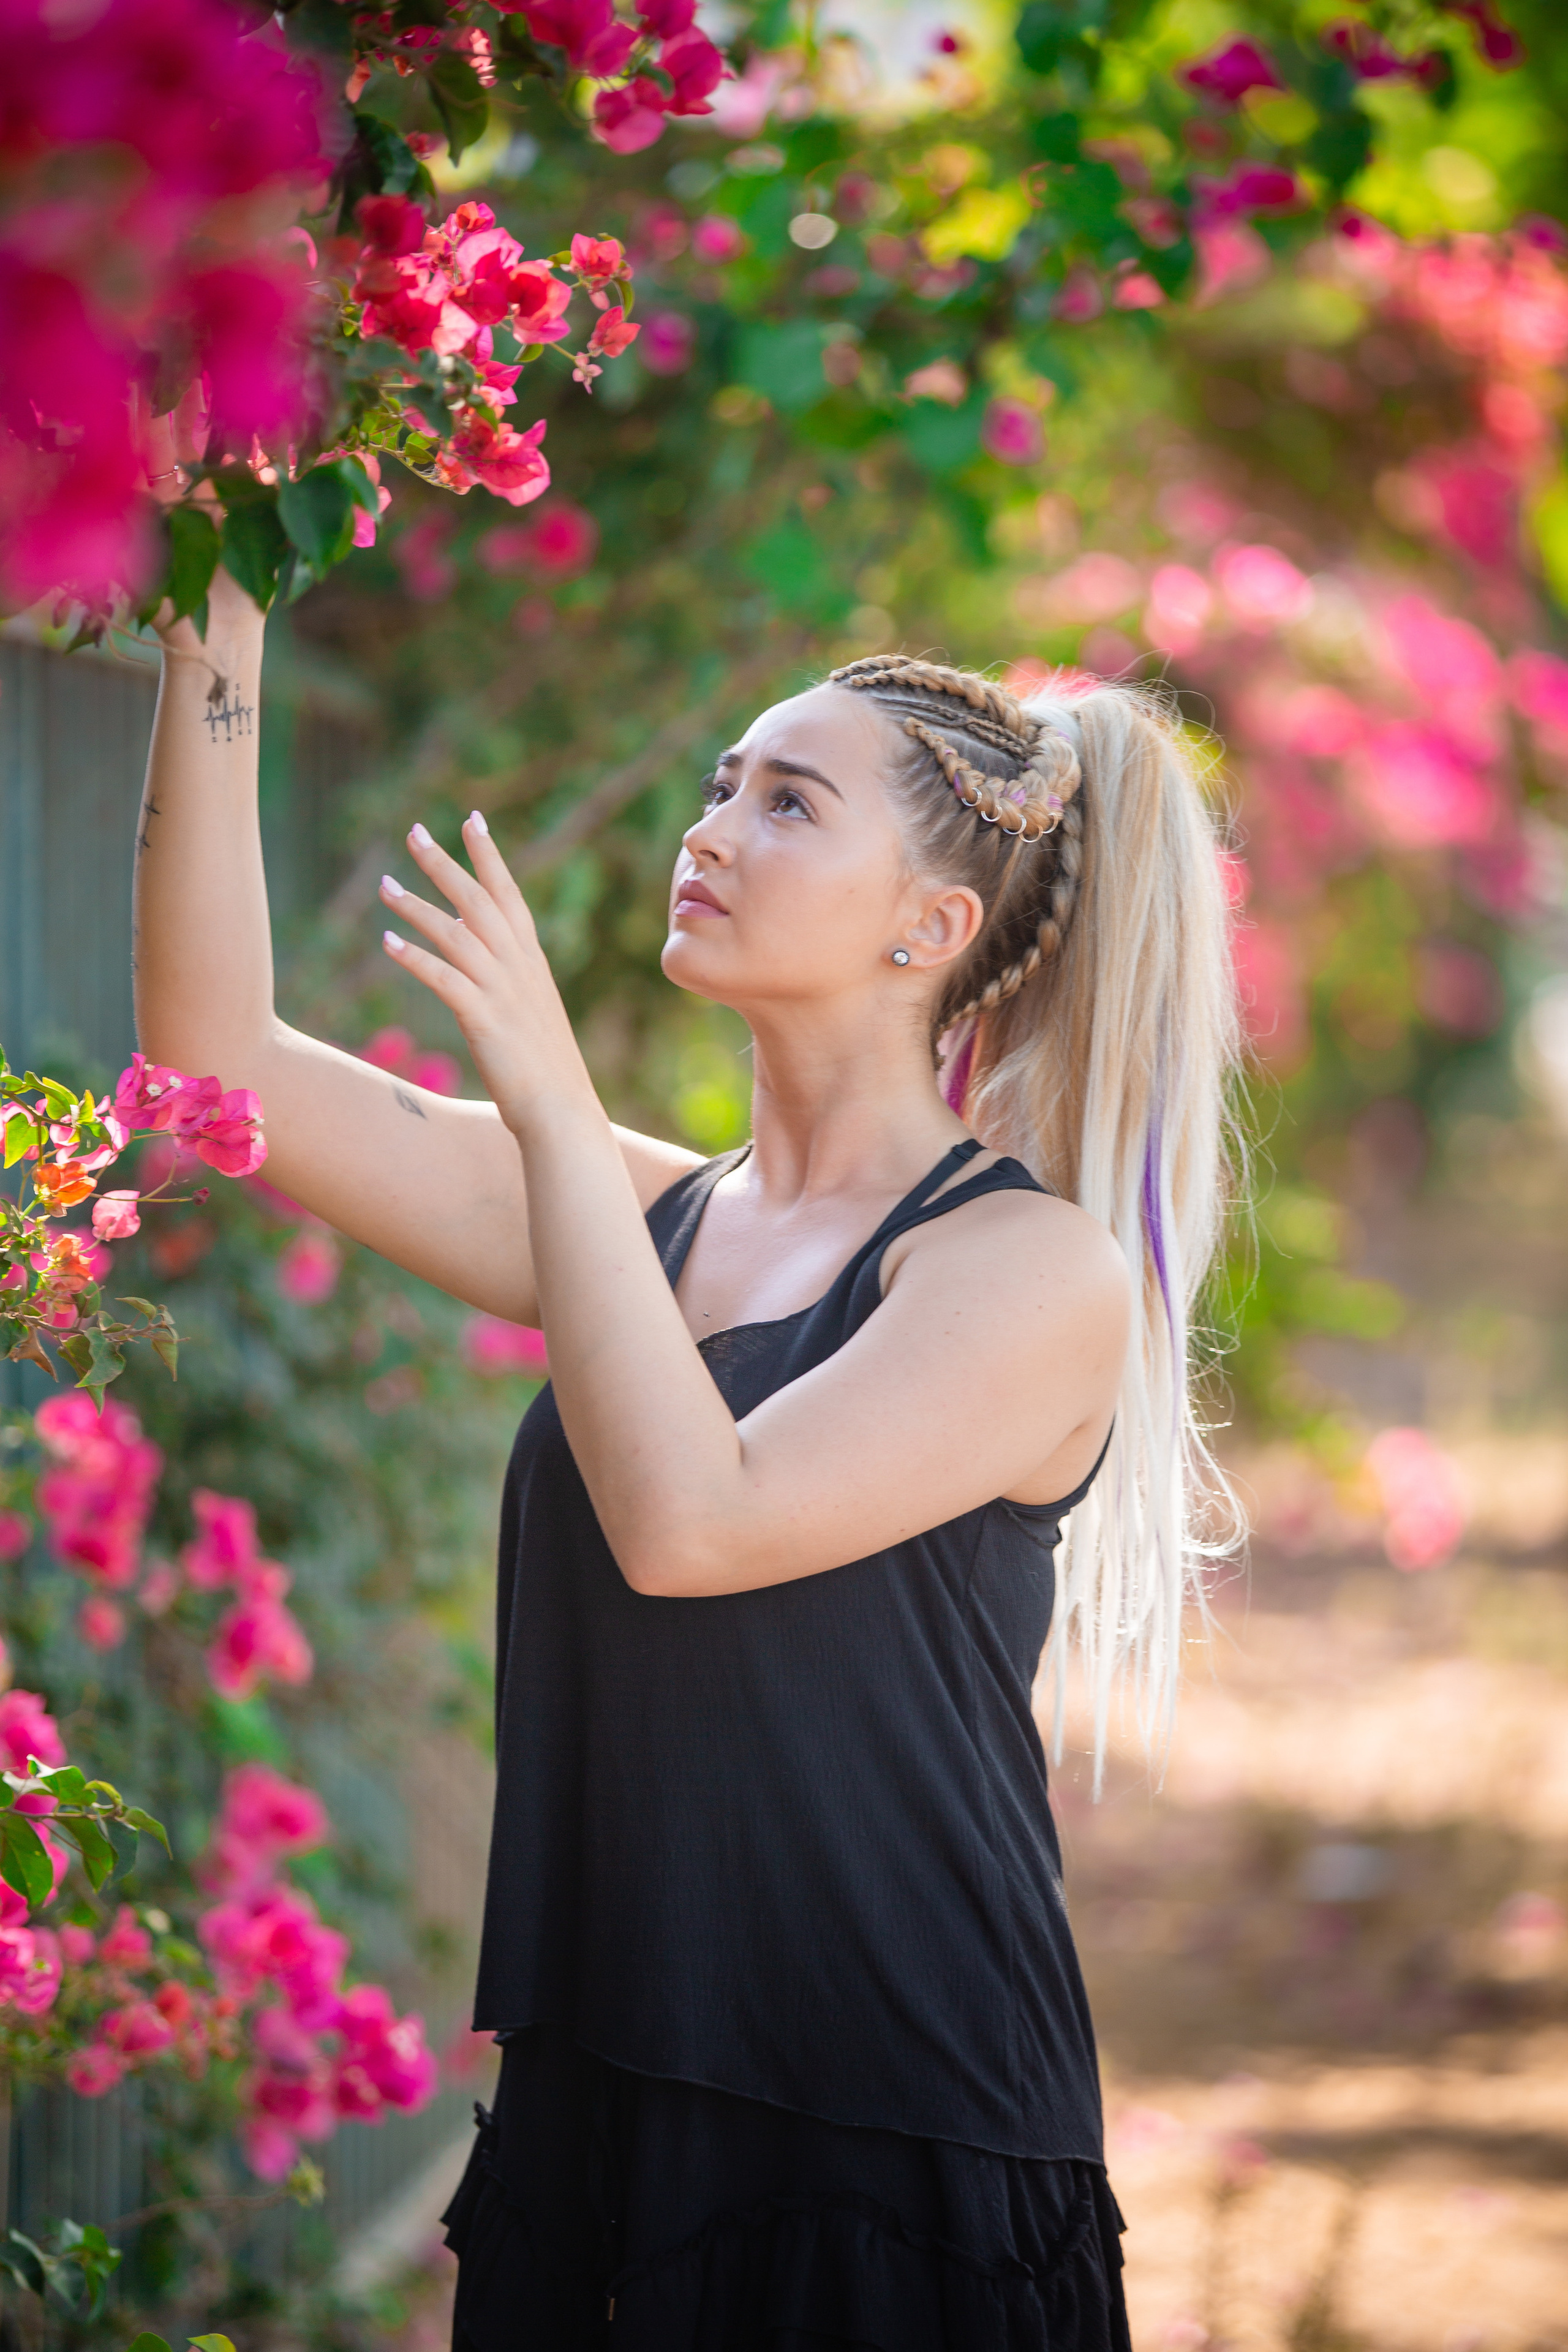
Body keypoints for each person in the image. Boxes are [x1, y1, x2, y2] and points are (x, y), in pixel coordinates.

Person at [137, 539, 1240, 2347]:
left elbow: (690, 1523)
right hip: (598, 2102)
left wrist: (552, 1102)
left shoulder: (1031, 1272)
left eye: (788, 803)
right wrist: (220, 606)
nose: (711, 831)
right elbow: (215, 1068)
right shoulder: (644, 1223)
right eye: (724, 785)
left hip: (886, 2135)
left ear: (928, 929)